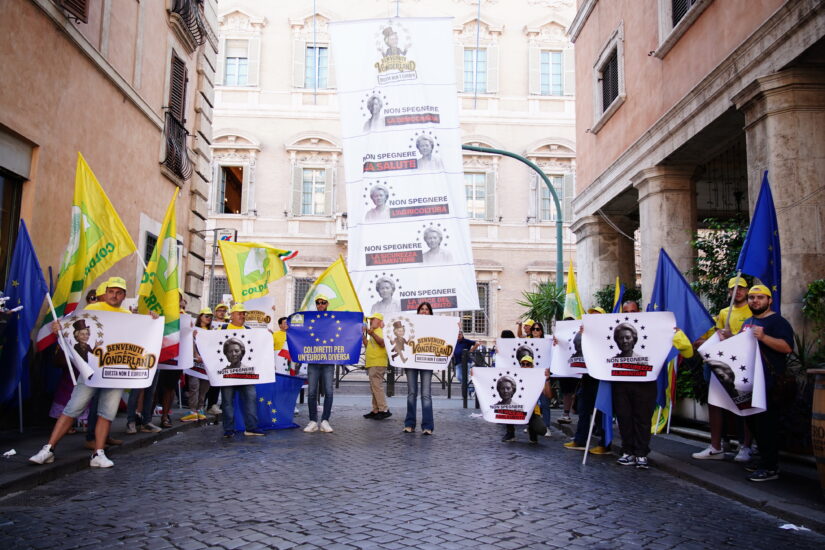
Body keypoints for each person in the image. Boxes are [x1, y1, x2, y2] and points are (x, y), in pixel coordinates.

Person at [31, 277, 156, 469]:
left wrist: (152, 320)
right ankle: (48, 449)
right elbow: (72, 327)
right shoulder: (92, 309)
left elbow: (142, 335)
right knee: (73, 408)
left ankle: (98, 453)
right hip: (92, 371)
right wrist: (59, 327)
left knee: (107, 413)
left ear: (124, 295)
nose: (115, 295)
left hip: (115, 373)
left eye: (119, 292)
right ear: (105, 293)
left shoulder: (127, 315)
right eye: (111, 291)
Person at [692, 276, 755, 462]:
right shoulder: (723, 312)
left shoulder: (752, 311)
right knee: (716, 403)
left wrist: (731, 336)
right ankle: (716, 446)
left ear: (746, 290)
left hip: (743, 365)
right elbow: (718, 338)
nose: (738, 291)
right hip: (722, 364)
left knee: (744, 403)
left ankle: (745, 446)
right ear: (729, 292)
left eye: (741, 288)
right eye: (733, 288)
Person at [614, 328, 695, 470]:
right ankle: (628, 451)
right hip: (621, 383)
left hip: (646, 383)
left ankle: (641, 453)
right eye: (621, 338)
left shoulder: (658, 329)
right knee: (624, 418)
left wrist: (676, 334)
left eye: (628, 337)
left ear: (634, 339)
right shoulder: (614, 357)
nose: (625, 341)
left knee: (643, 419)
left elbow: (688, 351)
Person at [740, 284, 793, 482]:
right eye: (752, 298)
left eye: (760, 297)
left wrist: (763, 337)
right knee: (754, 424)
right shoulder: (748, 321)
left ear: (769, 300)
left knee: (767, 425)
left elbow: (787, 347)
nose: (755, 301)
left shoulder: (778, 321)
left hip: (769, 383)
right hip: (750, 383)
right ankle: (764, 460)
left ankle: (770, 467)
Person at [219, 304, 264, 438]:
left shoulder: (249, 330)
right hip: (227, 375)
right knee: (227, 401)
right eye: (239, 313)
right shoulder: (222, 328)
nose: (242, 316)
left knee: (251, 398)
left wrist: (267, 336)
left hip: (246, 374)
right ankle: (228, 429)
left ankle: (251, 428)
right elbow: (210, 343)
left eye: (244, 313)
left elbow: (258, 345)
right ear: (232, 315)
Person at [304, 295, 337, 434]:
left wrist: (360, 326)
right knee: (311, 392)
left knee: (329, 391)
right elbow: (300, 330)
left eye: (323, 302)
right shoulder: (310, 319)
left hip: (328, 360)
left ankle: (325, 421)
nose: (320, 304)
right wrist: (289, 328)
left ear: (327, 304)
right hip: (313, 360)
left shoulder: (333, 319)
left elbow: (346, 328)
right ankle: (313, 421)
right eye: (318, 302)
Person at [501, 356, 553, 444]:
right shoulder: (515, 378)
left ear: (532, 366)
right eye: (523, 364)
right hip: (517, 408)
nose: (525, 366)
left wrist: (547, 379)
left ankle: (532, 430)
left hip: (532, 411)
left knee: (542, 430)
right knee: (508, 406)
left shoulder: (538, 378)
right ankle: (510, 433)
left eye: (528, 364)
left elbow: (548, 395)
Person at [404, 302, 436, 435]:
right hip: (411, 361)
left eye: (426, 309)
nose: (424, 311)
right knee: (411, 393)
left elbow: (447, 333)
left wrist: (456, 327)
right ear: (418, 311)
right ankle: (409, 424)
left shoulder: (436, 324)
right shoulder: (411, 324)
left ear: (430, 312)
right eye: (422, 309)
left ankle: (427, 426)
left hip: (427, 362)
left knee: (426, 394)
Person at [181, 309, 212, 422]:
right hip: (194, 364)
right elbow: (188, 342)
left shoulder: (212, 332)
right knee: (194, 387)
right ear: (200, 317)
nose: (209, 318)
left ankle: (200, 409)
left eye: (210, 316)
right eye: (206, 316)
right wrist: (195, 354)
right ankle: (193, 411)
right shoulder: (193, 329)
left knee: (204, 388)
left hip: (206, 365)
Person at [363, 313, 391, 420]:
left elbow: (382, 343)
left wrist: (372, 334)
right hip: (373, 363)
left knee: (377, 387)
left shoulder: (380, 331)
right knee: (374, 387)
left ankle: (384, 409)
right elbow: (368, 345)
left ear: (379, 321)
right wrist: (363, 335)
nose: (370, 321)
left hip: (377, 363)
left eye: (373, 319)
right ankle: (376, 410)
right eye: (370, 320)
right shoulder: (374, 332)